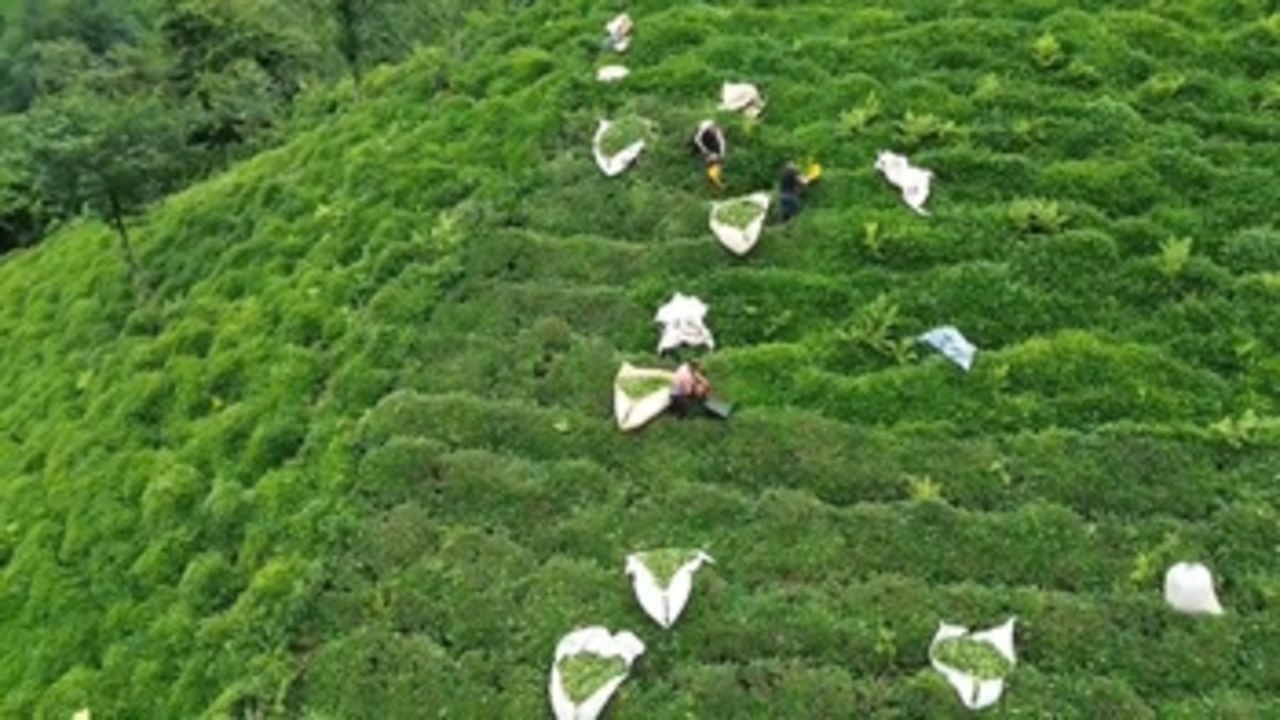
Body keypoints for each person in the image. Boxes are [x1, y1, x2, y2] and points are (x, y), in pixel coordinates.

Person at [690, 121, 726, 190]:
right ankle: (693, 152)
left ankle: (716, 182)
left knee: (714, 146)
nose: (712, 131)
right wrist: (704, 150)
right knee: (694, 143)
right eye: (711, 130)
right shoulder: (703, 128)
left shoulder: (718, 134)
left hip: (711, 145)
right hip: (701, 138)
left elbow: (722, 143)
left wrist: (721, 154)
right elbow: (697, 139)